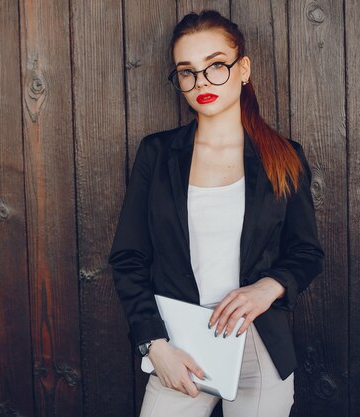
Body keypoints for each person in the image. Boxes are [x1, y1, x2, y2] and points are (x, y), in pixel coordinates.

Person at [108, 9, 324, 417]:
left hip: (260, 350)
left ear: (243, 69)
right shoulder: (156, 154)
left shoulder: (283, 157)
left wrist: (268, 287)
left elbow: (306, 253)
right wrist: (154, 346)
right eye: (187, 71)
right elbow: (128, 258)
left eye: (216, 66)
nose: (201, 81)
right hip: (179, 348)